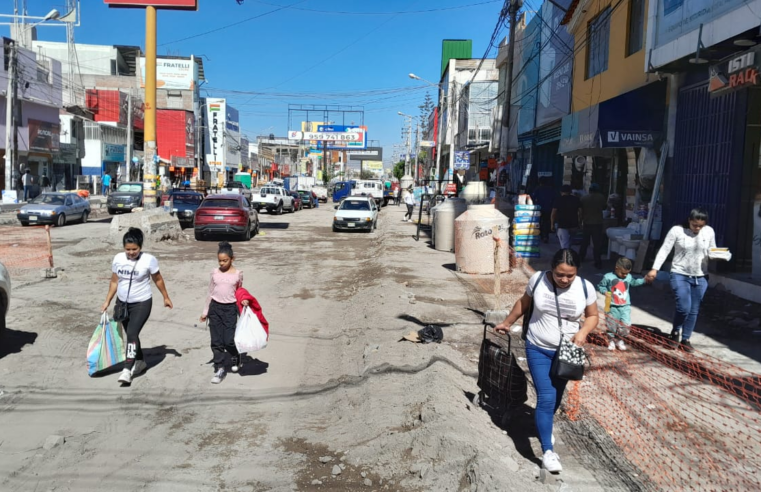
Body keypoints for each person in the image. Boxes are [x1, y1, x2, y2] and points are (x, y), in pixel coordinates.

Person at [495, 249, 598, 473]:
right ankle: (548, 451)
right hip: (537, 347)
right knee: (547, 396)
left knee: (555, 397)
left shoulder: (585, 287)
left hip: (566, 353)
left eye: (570, 275)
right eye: (560, 274)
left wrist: (583, 333)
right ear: (552, 269)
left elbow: (593, 316)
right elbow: (523, 303)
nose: (564, 279)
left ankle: (544, 425)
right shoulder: (538, 280)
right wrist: (507, 322)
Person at [101, 228, 173, 385]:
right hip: (122, 303)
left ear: (140, 247)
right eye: (128, 249)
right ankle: (140, 361)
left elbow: (158, 279)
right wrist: (108, 300)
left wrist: (165, 297)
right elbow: (114, 281)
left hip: (142, 302)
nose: (131, 252)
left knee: (132, 333)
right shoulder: (118, 258)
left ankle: (127, 369)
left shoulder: (149, 260)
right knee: (131, 335)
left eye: (135, 249)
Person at [645, 208, 716, 353]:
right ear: (689, 220)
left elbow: (712, 249)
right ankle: (675, 331)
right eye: (695, 225)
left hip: (701, 275)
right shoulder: (677, 231)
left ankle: (686, 339)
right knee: (684, 307)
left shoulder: (709, 231)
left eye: (700, 226)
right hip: (680, 273)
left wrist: (717, 255)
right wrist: (654, 269)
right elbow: (664, 249)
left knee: (694, 309)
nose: (697, 228)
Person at [200, 241, 247, 384]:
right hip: (215, 308)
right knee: (216, 341)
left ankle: (236, 355)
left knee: (228, 340)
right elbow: (210, 292)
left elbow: (239, 291)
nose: (222, 264)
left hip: (230, 309)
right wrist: (205, 311)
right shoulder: (214, 273)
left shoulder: (238, 274)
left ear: (232, 259)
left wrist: (244, 302)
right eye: (219, 261)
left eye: (225, 260)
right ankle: (220, 368)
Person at [597, 257, 645, 351]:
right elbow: (600, 286)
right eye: (623, 273)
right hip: (611, 306)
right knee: (611, 325)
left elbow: (634, 282)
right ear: (616, 268)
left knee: (626, 325)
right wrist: (604, 291)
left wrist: (644, 280)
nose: (625, 275)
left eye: (627, 273)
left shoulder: (629, 277)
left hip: (625, 306)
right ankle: (611, 340)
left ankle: (619, 339)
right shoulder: (608, 277)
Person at [579, 183, 607, 268]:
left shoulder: (584, 198)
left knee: (584, 242)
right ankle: (597, 261)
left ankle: (581, 258)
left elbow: (580, 211)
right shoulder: (601, 197)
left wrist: (580, 221)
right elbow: (604, 207)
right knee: (597, 243)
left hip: (587, 223)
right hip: (597, 223)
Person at [551, 185, 581, 250]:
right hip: (574, 224)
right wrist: (580, 222)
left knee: (564, 244)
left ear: (561, 192)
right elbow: (580, 212)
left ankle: (565, 257)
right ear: (570, 191)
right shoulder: (576, 199)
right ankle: (568, 256)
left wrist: (552, 224)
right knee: (569, 242)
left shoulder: (558, 200)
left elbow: (553, 213)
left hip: (562, 224)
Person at [531, 177, 556, 244]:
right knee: (546, 222)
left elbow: (533, 198)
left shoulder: (537, 189)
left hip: (539, 208)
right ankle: (545, 236)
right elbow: (555, 199)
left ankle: (540, 235)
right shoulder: (551, 189)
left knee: (538, 222)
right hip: (549, 209)